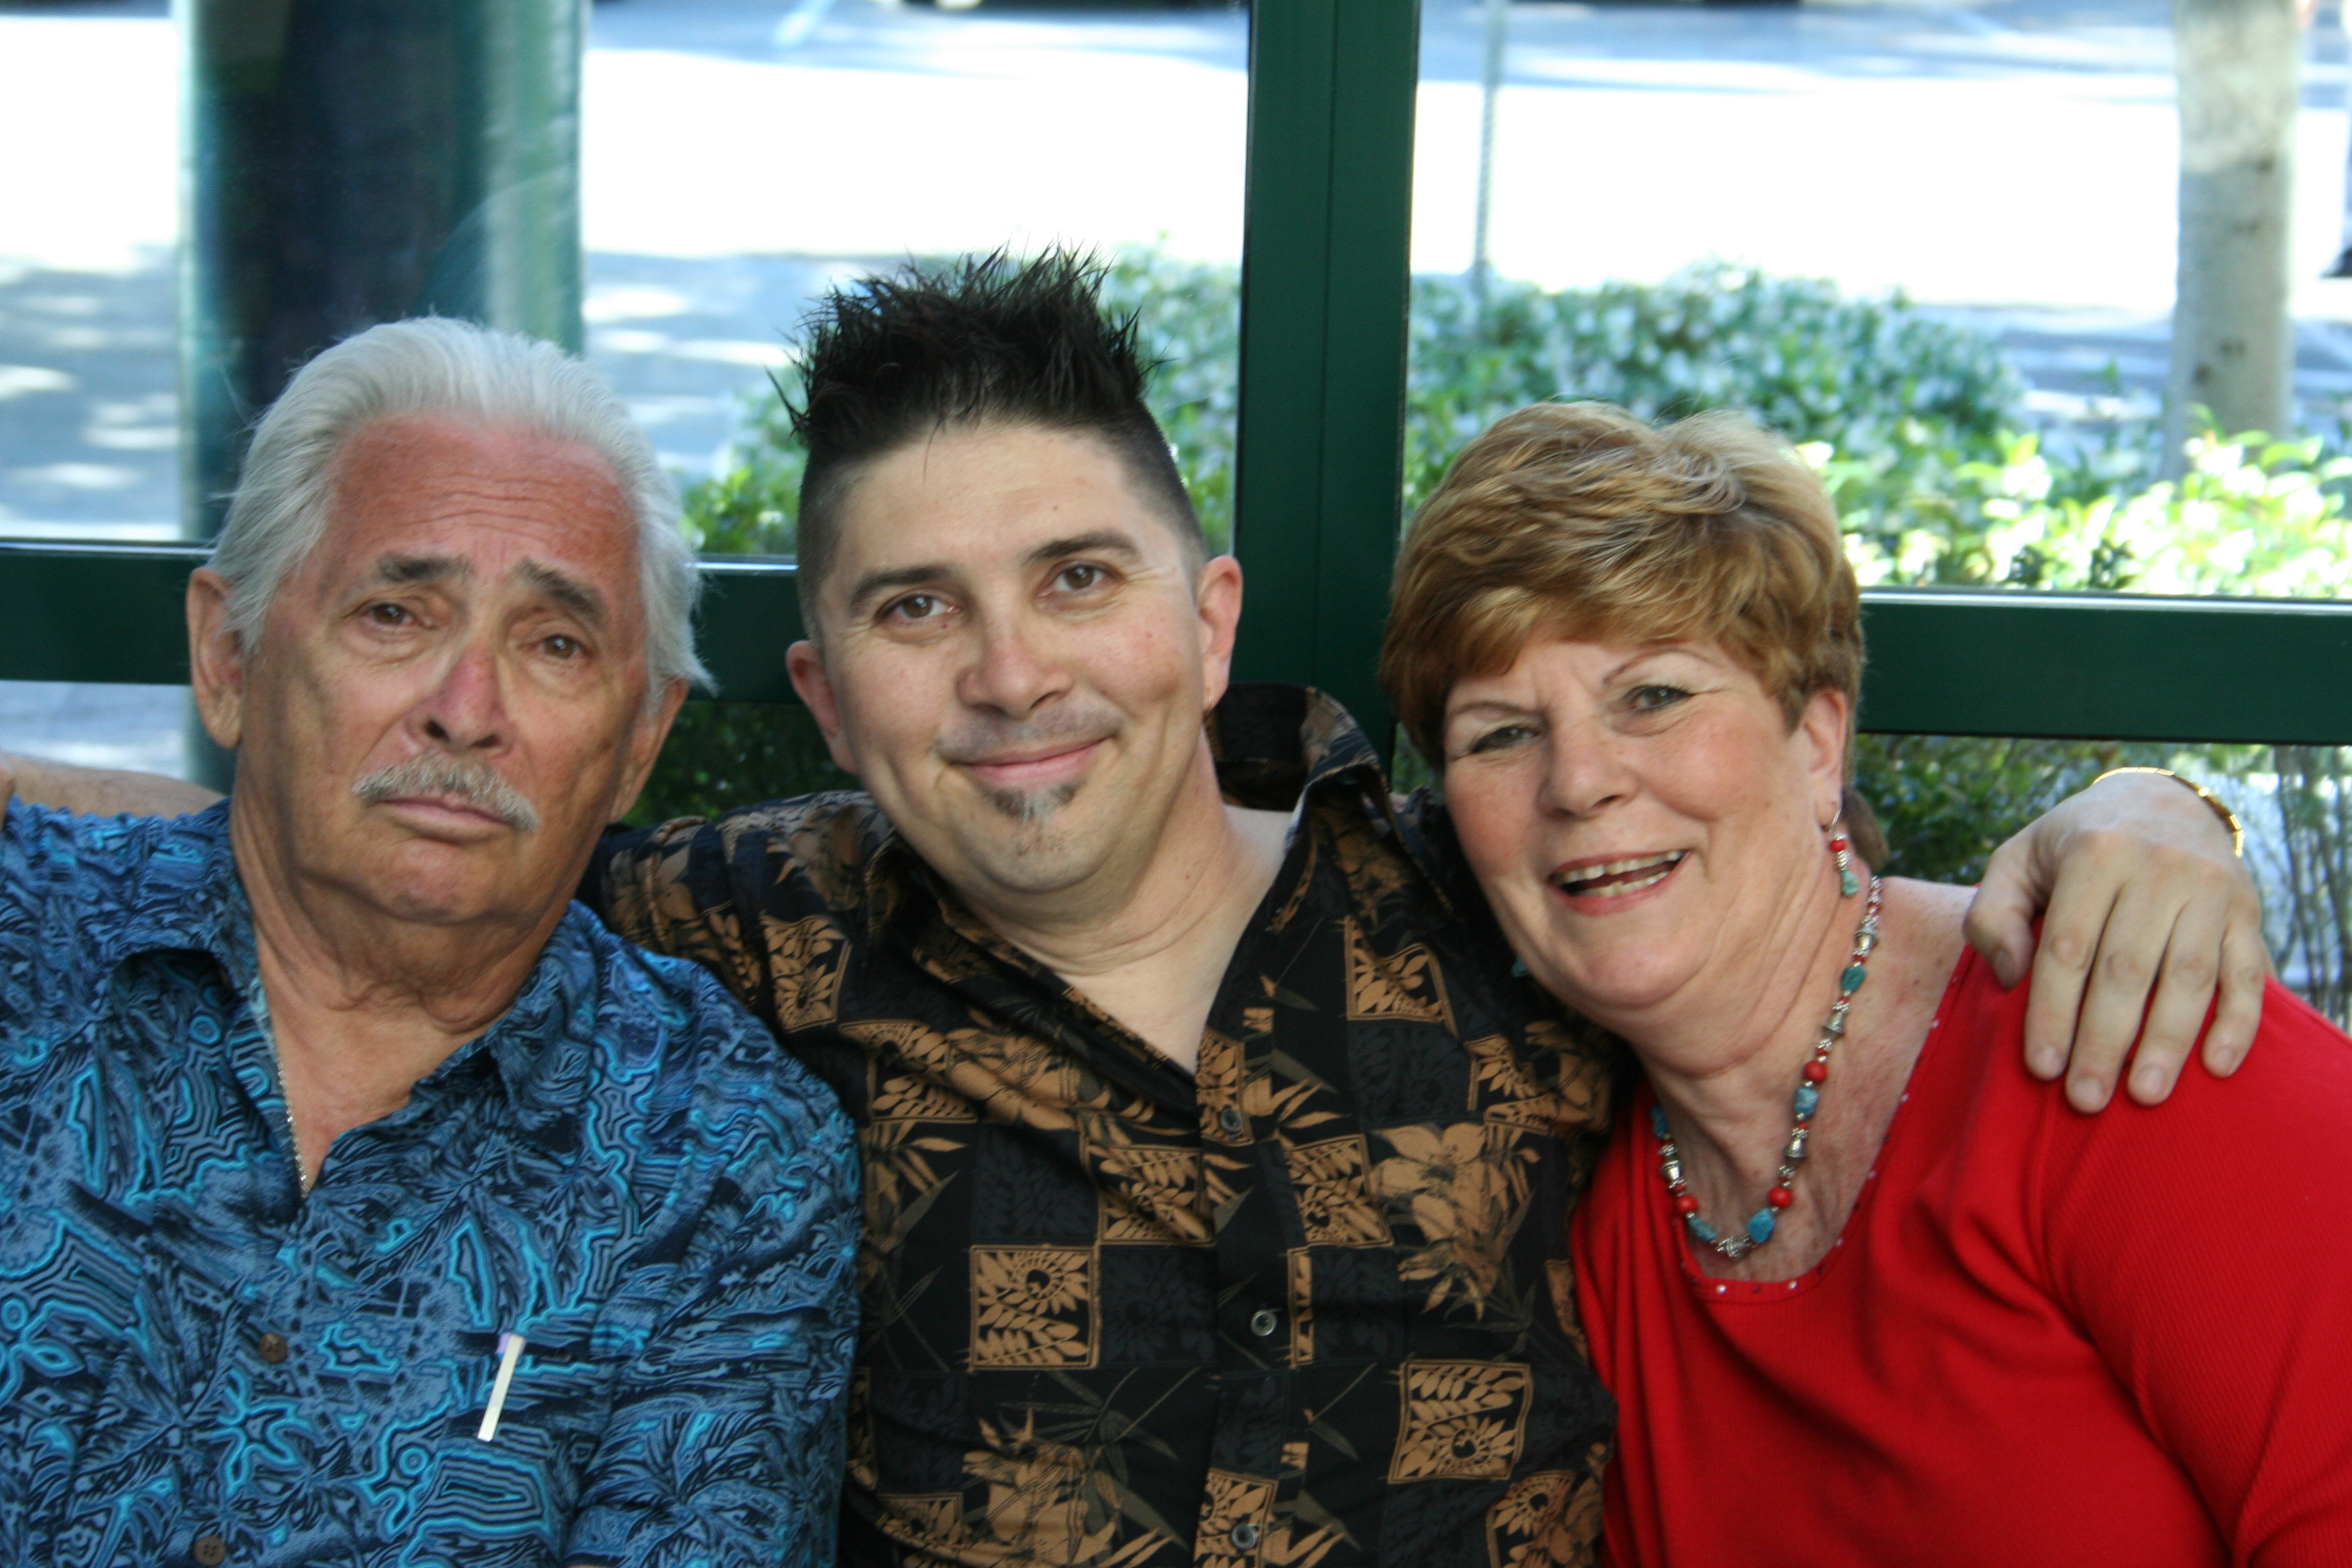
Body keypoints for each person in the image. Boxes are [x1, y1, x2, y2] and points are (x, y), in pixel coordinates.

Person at [8, 259, 2266, 1568]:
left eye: (1073, 580)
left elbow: (1784, 904)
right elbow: (405, 824)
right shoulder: (735, 953)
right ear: (818, 694)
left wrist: (2137, 825)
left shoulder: (1490, 882)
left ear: (1202, 616)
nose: (1008, 675)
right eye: (916, 606)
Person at [1381, 399, 2352, 1566]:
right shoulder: (1586, 1219)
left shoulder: (2123, 1039)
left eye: (1656, 696)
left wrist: (2169, 800)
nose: (1579, 781)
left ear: (1817, 743)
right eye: (1499, 735)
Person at [0, 319, 861, 1568]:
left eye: (555, 645)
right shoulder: (24, 946)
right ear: (228, 655)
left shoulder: (720, 1161)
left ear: (639, 742)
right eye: (397, 613)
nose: (468, 712)